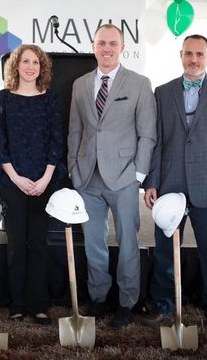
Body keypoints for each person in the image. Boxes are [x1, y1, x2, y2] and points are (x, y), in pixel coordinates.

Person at [140, 34, 207, 336]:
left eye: (199, 54)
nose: (193, 59)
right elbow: (156, 141)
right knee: (164, 250)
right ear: (180, 55)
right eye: (188, 53)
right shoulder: (162, 92)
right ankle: (161, 306)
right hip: (169, 184)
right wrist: (151, 182)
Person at [67, 24, 157, 328]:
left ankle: (127, 301)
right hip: (87, 177)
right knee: (94, 242)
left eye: (112, 44)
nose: (106, 48)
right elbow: (75, 130)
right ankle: (99, 297)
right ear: (93, 46)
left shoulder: (140, 83)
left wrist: (139, 174)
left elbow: (147, 134)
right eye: (101, 43)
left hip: (123, 176)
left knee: (128, 241)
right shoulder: (80, 84)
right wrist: (72, 167)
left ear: (122, 47)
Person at [0, 44, 64, 325]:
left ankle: (39, 304)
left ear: (41, 67)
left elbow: (57, 141)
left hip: (43, 183)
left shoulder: (50, 99)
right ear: (15, 66)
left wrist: (45, 179)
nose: (30, 66)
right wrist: (16, 177)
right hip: (13, 182)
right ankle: (18, 304)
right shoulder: (3, 99)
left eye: (36, 62)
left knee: (39, 244)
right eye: (25, 61)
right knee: (16, 245)